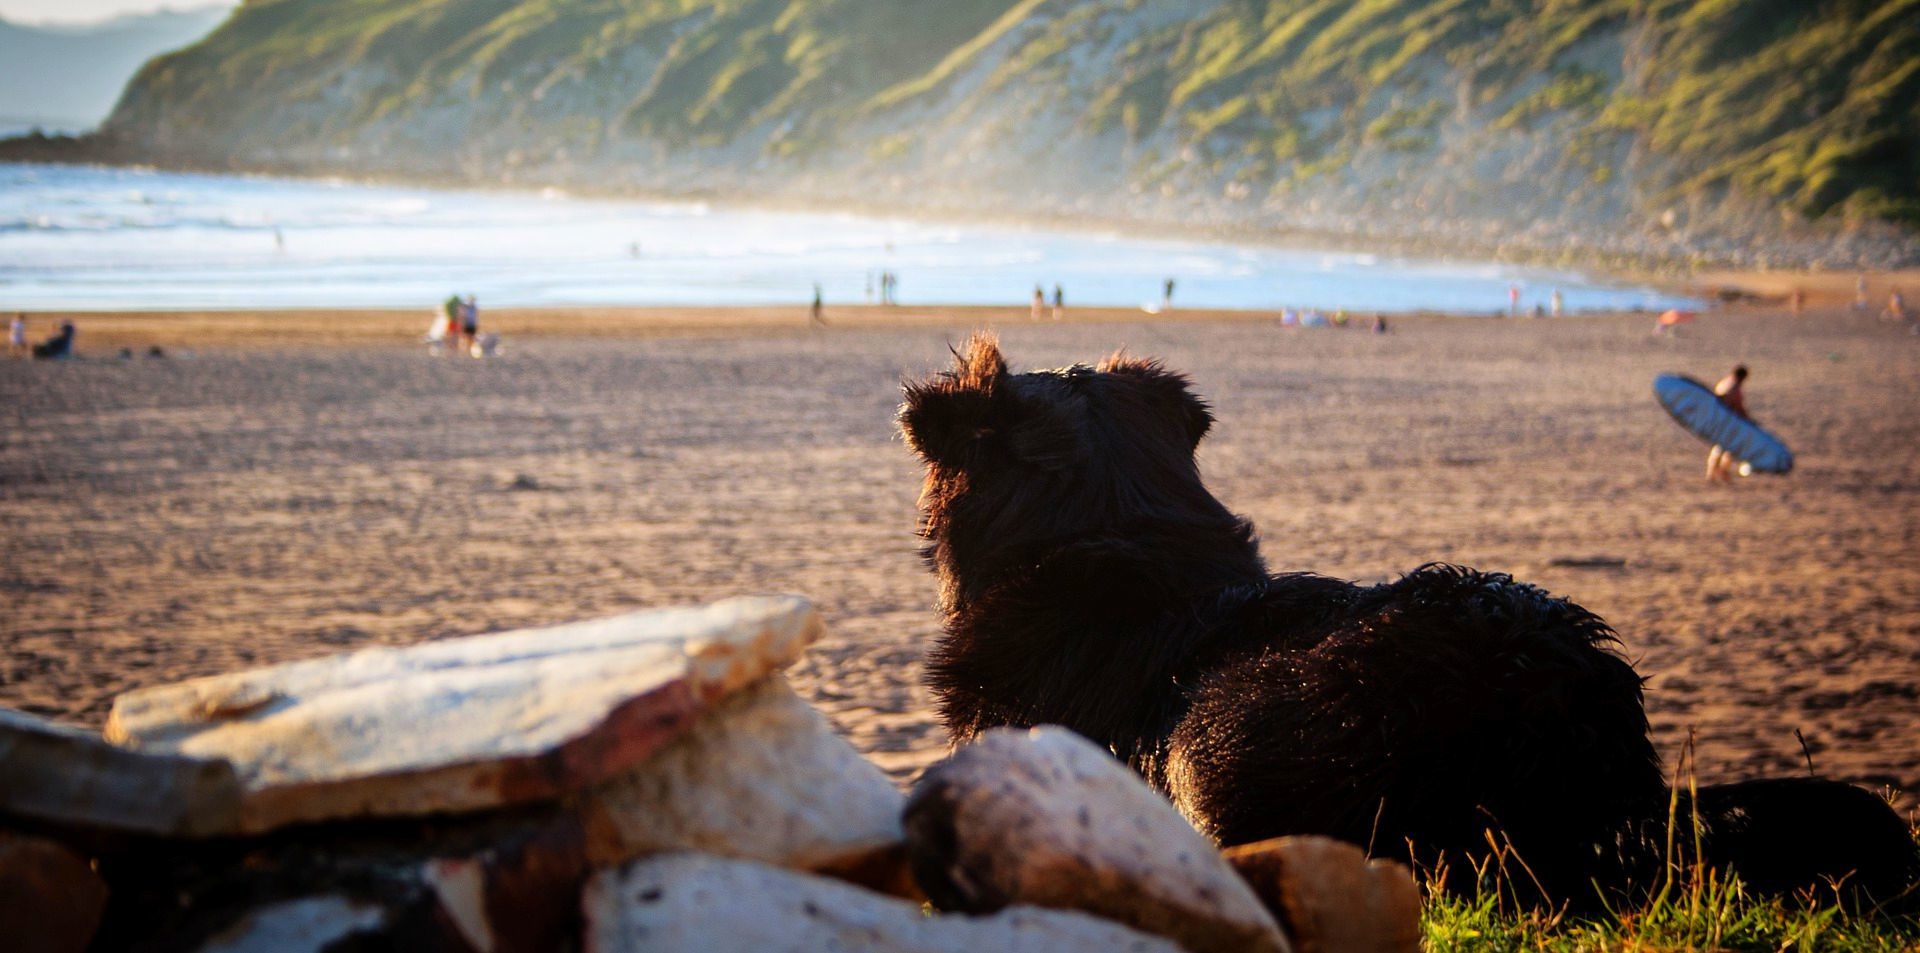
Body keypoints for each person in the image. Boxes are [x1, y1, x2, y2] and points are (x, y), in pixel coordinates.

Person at [1706, 365, 1750, 484]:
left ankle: (1713, 473)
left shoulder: (1724, 383)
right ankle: (1721, 472)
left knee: (1719, 448)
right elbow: (1738, 407)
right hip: (1727, 422)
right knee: (1727, 448)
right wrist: (1747, 420)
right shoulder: (1734, 388)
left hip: (1719, 420)